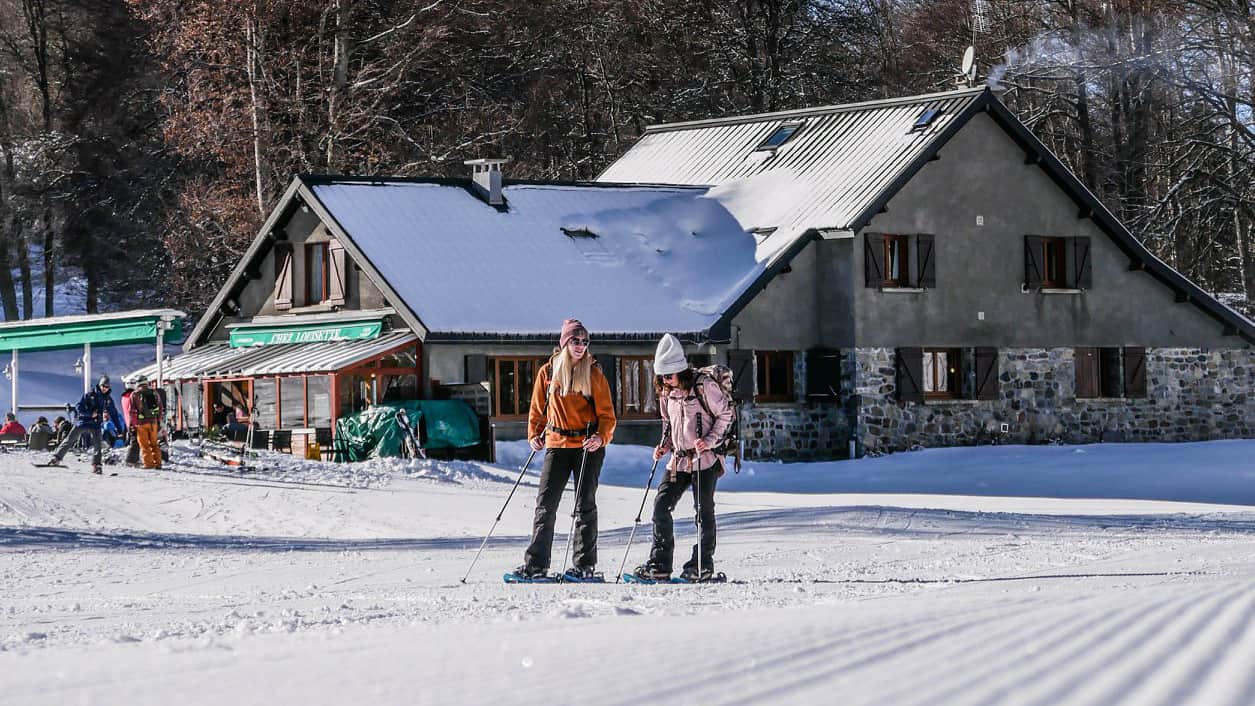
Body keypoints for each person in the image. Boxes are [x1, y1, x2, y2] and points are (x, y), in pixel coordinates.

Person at [515, 318, 617, 580]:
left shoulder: (593, 373)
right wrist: (534, 435)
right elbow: (537, 410)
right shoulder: (548, 373)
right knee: (545, 505)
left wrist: (601, 438)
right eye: (575, 340)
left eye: (584, 341)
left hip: (586, 446)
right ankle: (536, 564)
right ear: (564, 343)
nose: (581, 346)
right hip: (556, 444)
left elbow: (607, 416)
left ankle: (584, 565)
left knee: (585, 505)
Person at [633, 334, 733, 582]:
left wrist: (708, 441)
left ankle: (701, 565)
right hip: (678, 461)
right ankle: (660, 564)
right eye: (661, 376)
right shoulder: (666, 393)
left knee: (703, 512)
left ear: (680, 370)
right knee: (660, 507)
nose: (665, 380)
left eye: (669, 375)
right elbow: (669, 423)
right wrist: (665, 445)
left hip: (705, 459)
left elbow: (726, 415)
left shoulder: (704, 387)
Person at [47, 375, 121, 474]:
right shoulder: (89, 395)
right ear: (99, 385)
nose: (104, 389)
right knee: (70, 439)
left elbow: (114, 414)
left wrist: (119, 428)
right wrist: (90, 414)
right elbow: (78, 406)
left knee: (98, 445)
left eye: (107, 387)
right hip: (82, 422)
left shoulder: (108, 399)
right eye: (103, 386)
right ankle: (56, 458)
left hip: (95, 424)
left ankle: (97, 465)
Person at [131, 375, 164, 470]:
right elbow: (160, 408)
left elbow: (132, 411)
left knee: (144, 445)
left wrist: (133, 424)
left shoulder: (135, 394)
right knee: (154, 443)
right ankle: (158, 463)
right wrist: (158, 421)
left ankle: (148, 464)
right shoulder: (154, 393)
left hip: (141, 423)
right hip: (153, 422)